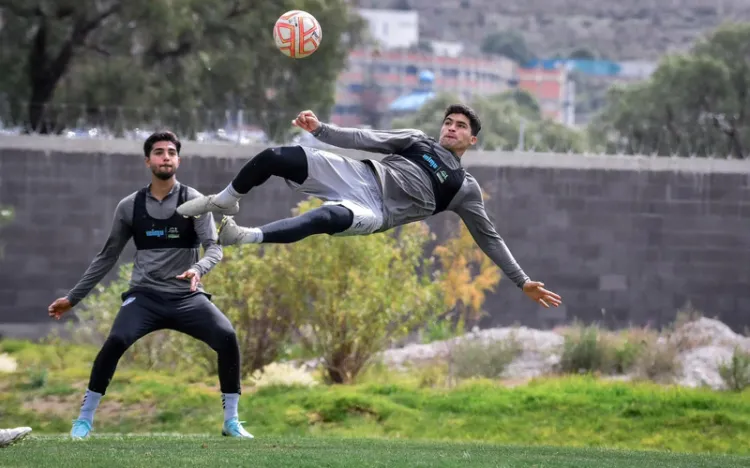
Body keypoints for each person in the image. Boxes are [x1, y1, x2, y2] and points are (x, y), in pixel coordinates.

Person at [177, 104, 562, 308]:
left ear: (471, 140)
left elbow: (489, 239)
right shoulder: (416, 140)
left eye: (460, 126)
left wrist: (522, 280)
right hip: (360, 175)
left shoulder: (464, 188)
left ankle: (243, 236)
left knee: (326, 217)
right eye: (448, 121)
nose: (451, 128)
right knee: (278, 155)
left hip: (377, 213)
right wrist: (322, 131)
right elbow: (366, 137)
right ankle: (227, 198)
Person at [47, 131, 253, 440]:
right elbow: (106, 257)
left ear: (178, 160)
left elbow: (215, 247)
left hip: (186, 297)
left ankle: (231, 421)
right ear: (148, 161)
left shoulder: (194, 201)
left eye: (171, 152)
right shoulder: (130, 206)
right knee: (115, 340)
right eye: (158, 152)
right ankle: (84, 420)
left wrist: (197, 270)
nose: (165, 157)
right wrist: (72, 299)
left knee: (226, 336)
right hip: (144, 298)